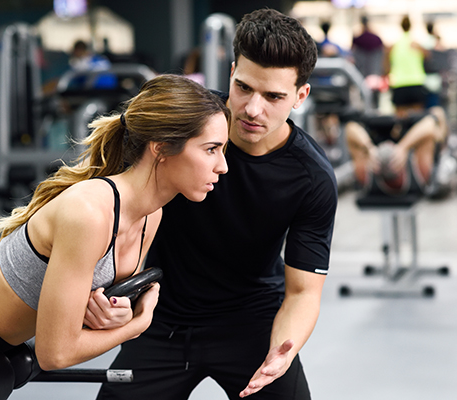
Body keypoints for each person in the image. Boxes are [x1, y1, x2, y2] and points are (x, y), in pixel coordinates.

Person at [0, 74, 230, 400]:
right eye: (211, 149)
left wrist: (113, 314)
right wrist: (136, 325)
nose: (223, 166)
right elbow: (55, 353)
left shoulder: (152, 215)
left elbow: (79, 307)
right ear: (161, 146)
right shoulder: (91, 212)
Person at [96, 8, 337, 400]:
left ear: (300, 96)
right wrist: (112, 292)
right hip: (161, 318)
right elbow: (119, 214)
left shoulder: (311, 178)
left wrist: (283, 351)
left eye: (273, 96)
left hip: (253, 322)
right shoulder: (181, 128)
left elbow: (303, 293)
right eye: (243, 87)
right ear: (230, 73)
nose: (252, 109)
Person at [344, 106, 448, 196]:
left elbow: (350, 128)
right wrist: (403, 147)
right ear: (400, 165)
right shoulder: (421, 172)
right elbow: (430, 124)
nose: (388, 143)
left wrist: (370, 148)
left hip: (381, 139)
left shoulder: (365, 176)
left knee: (380, 117)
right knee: (438, 113)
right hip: (413, 138)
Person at [384, 16, 430, 117]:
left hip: (399, 84)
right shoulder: (417, 45)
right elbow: (429, 57)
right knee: (418, 120)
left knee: (400, 120)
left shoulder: (393, 46)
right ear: (411, 26)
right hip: (416, 83)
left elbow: (386, 67)